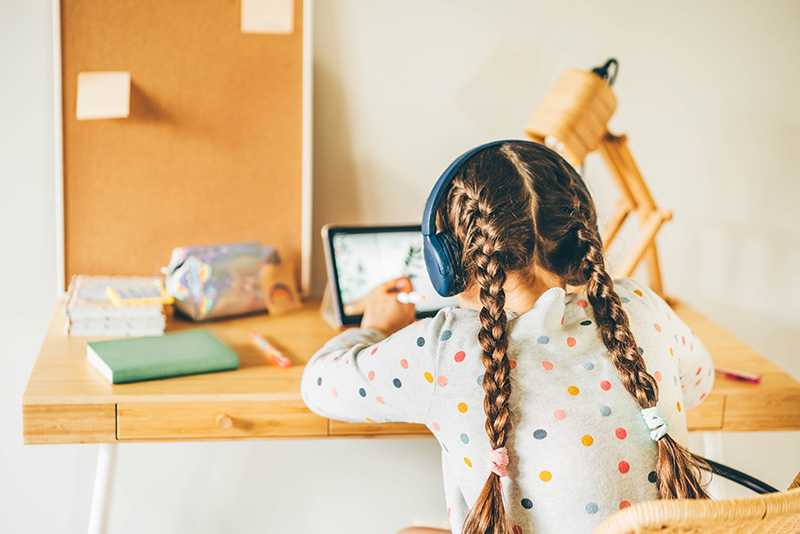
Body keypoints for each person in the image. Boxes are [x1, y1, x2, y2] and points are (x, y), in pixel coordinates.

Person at [301, 141, 714, 534]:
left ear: (448, 259)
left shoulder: (442, 347)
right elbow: (699, 382)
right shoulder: (639, 304)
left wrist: (373, 326)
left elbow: (318, 385)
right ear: (577, 237)